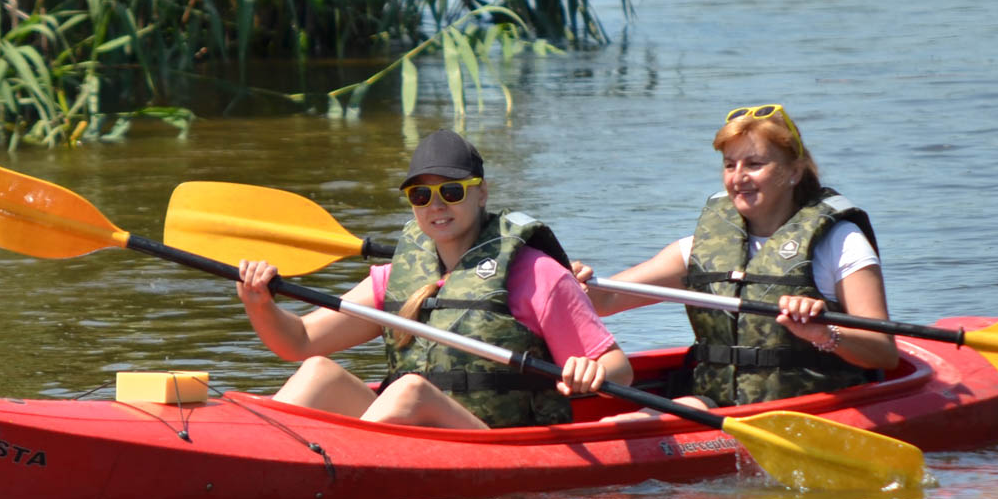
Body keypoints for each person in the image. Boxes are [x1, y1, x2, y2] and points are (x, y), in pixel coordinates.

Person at [234, 129, 633, 429]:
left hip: (494, 442)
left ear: (481, 193)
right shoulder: (396, 277)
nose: (436, 205)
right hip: (411, 438)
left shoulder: (536, 273)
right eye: (421, 196)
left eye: (452, 191)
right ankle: (254, 450)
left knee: (411, 391)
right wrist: (260, 304)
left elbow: (618, 368)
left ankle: (333, 467)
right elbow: (299, 341)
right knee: (318, 371)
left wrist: (591, 371)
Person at [576, 103, 897, 406]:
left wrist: (825, 333)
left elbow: (883, 352)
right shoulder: (694, 250)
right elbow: (604, 301)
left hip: (813, 407)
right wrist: (569, 281)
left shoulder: (840, 243)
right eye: (730, 165)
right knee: (637, 419)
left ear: (794, 171)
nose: (738, 177)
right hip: (713, 406)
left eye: (754, 164)